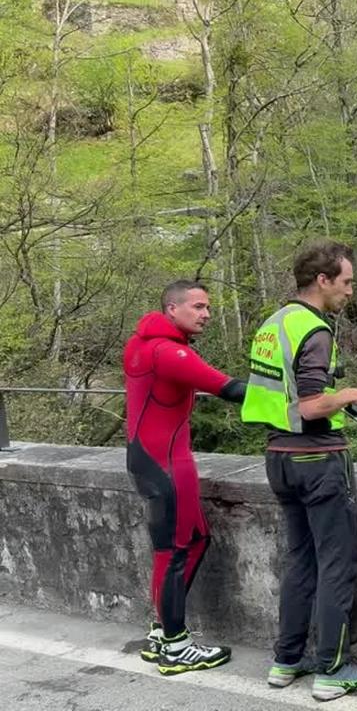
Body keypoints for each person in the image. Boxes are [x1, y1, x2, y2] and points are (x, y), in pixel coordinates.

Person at [241, 240, 357, 701]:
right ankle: (331, 669)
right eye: (346, 282)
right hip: (318, 459)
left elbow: (281, 397)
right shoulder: (315, 329)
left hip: (278, 457)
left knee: (300, 561)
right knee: (337, 564)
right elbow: (310, 404)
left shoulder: (274, 322)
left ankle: (287, 660)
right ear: (322, 281)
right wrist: (352, 395)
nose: (350, 292)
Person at [124, 280, 247, 675]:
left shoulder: (141, 343)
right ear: (172, 309)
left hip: (147, 458)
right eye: (198, 306)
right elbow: (229, 388)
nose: (206, 314)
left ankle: (161, 631)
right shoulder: (169, 352)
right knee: (179, 549)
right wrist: (300, 395)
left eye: (207, 307)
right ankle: (176, 645)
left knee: (184, 544)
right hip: (166, 463)